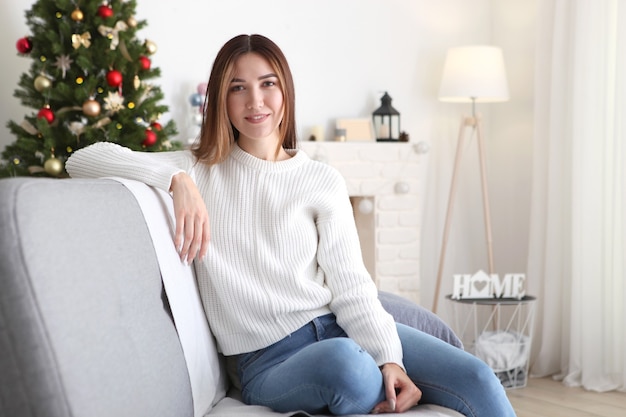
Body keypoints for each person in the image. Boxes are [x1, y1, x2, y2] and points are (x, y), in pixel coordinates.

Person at [66, 34, 516, 416]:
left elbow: (352, 287)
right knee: (348, 369)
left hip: (336, 328)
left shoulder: (321, 180)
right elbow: (81, 160)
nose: (255, 101)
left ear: (286, 93)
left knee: (475, 374)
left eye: (268, 84)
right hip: (266, 360)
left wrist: (390, 359)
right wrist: (175, 178)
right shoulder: (198, 168)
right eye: (238, 88)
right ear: (221, 99)